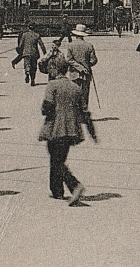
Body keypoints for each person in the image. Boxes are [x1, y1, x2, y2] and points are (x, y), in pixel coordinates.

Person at [38, 54, 95, 205]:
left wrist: (45, 110)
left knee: (56, 159)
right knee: (59, 158)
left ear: (54, 69)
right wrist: (92, 132)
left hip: (55, 128)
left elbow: (47, 107)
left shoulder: (53, 85)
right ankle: (57, 191)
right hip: (72, 129)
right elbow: (84, 111)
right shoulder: (75, 87)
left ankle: (75, 185)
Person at [64, 25, 98, 112]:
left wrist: (79, 67)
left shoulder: (70, 45)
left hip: (74, 73)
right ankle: (84, 111)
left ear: (75, 35)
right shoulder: (89, 46)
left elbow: (68, 59)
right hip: (86, 73)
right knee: (85, 93)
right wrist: (85, 66)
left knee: (74, 93)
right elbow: (94, 60)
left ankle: (74, 113)